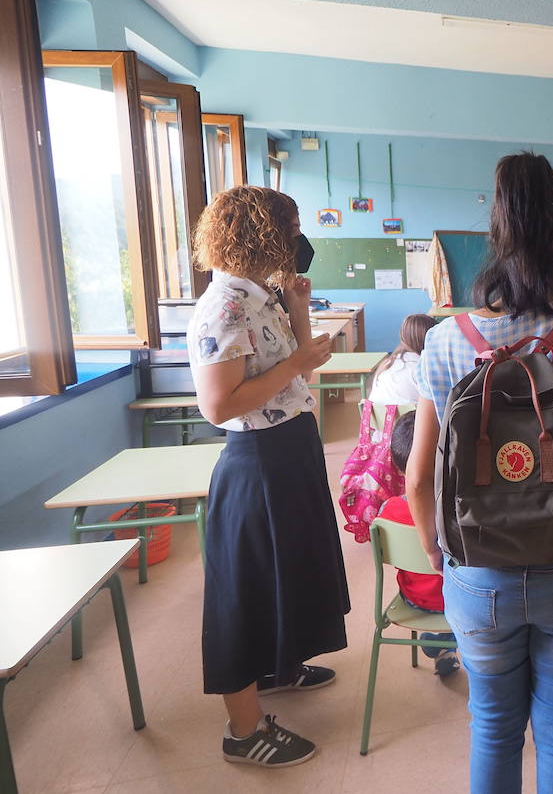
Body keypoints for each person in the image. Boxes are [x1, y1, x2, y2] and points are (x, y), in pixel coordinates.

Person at [403, 152, 553, 793]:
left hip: (477, 568)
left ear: (496, 244)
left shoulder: (447, 338)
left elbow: (418, 474)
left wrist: (442, 552)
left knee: (492, 726)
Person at [187, 186, 350, 769]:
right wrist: (296, 364)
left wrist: (298, 307)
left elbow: (301, 364)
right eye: (292, 228)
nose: (299, 240)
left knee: (293, 568)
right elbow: (218, 405)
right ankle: (243, 728)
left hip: (288, 450)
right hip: (256, 460)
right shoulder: (225, 305)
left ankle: (280, 667)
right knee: (247, 588)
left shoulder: (260, 297)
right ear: (263, 233)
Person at [375, 411, 458, 677]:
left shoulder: (386, 513)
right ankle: (445, 644)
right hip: (461, 603)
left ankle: (437, 642)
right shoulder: (461, 512)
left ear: (399, 469)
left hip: (414, 601)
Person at [368, 313, 435, 407]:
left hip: (379, 421)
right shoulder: (422, 368)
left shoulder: (386, 364)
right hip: (410, 420)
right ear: (429, 339)